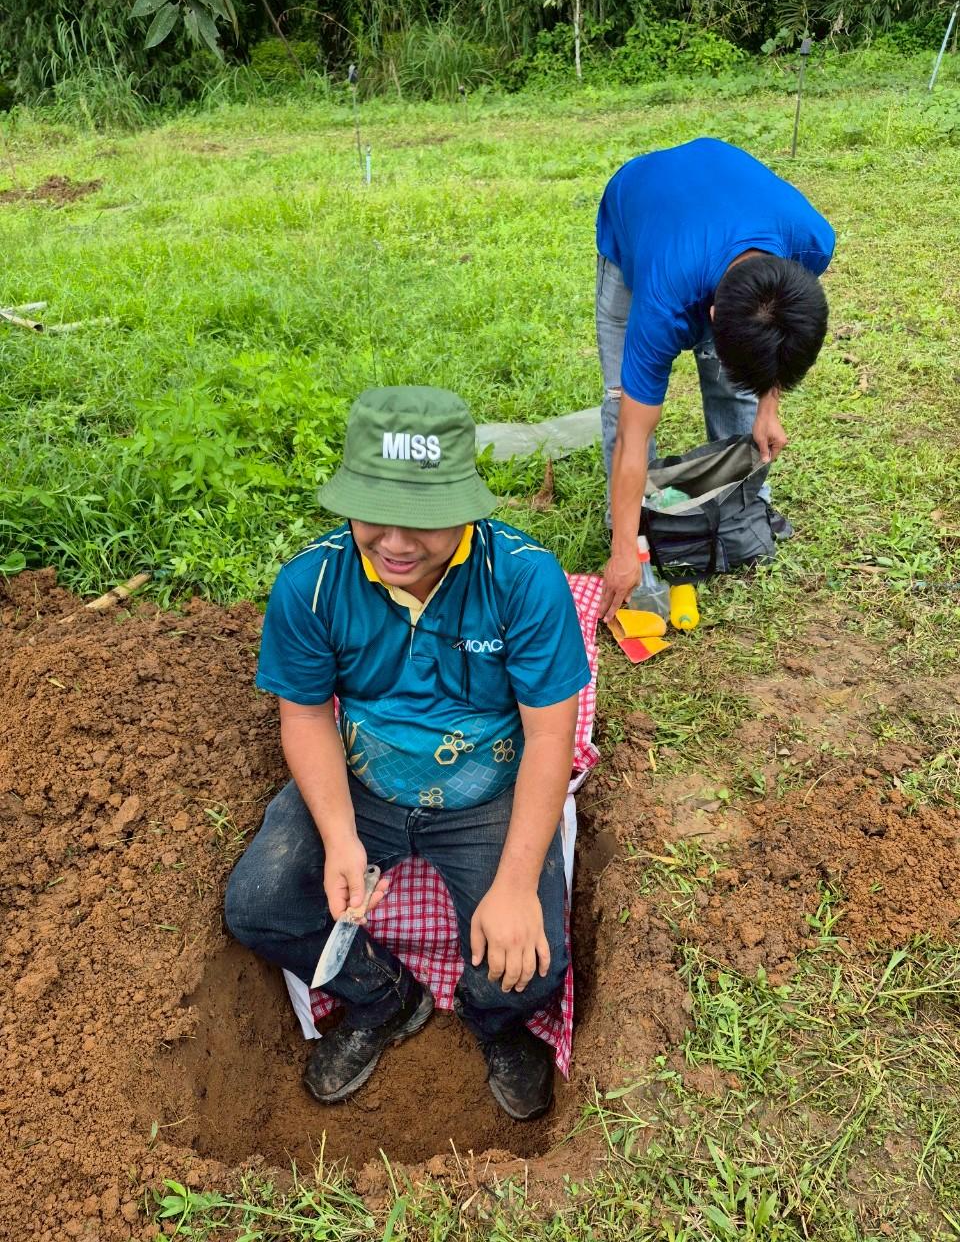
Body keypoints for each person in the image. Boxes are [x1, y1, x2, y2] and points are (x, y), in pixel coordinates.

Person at [225, 386, 590, 1121]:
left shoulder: (522, 579)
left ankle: (494, 1021)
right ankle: (383, 996)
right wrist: (338, 839)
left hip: (486, 794)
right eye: (374, 512)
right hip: (365, 780)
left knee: (533, 956)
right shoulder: (312, 585)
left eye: (422, 520)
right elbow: (304, 716)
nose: (395, 542)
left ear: (465, 504)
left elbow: (552, 732)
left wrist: (516, 885)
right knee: (257, 905)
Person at [596, 137, 835, 621]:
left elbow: (780, 332)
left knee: (733, 384)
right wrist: (624, 550)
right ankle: (630, 528)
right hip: (638, 204)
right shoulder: (661, 300)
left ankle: (740, 506)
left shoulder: (812, 240)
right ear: (708, 314)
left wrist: (768, 405)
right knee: (623, 401)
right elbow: (632, 431)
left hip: (721, 182)